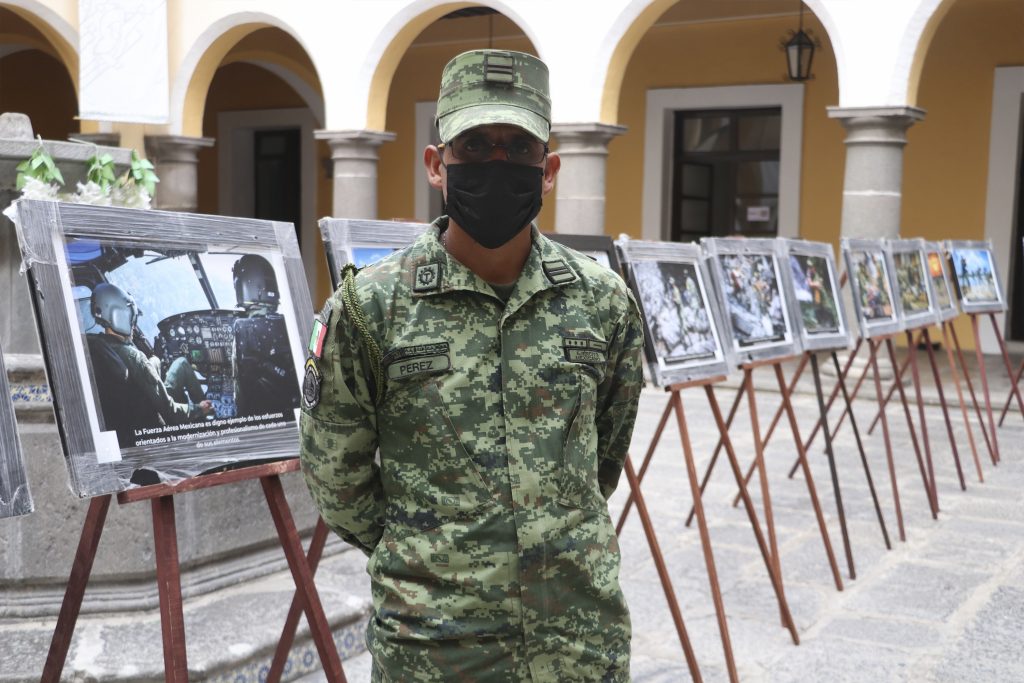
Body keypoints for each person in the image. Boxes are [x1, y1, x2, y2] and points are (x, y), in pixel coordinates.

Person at [299, 49, 645, 682]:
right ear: (437, 164)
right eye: (475, 145)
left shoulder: (602, 302)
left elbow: (605, 456)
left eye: (518, 148)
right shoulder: (371, 306)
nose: (496, 163)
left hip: (578, 635)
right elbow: (336, 479)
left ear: (549, 171)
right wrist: (428, 555)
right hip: (435, 643)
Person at [87, 283, 213, 443]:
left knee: (175, 363)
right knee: (183, 364)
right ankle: (210, 421)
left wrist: (153, 362)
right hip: (153, 421)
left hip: (128, 420)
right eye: (132, 318)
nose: (133, 325)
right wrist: (199, 409)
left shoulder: (96, 346)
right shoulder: (135, 358)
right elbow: (171, 412)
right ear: (120, 315)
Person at [230, 254, 300, 417]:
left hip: (259, 419)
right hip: (293, 414)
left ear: (243, 288)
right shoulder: (289, 323)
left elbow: (241, 392)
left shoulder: (243, 327)